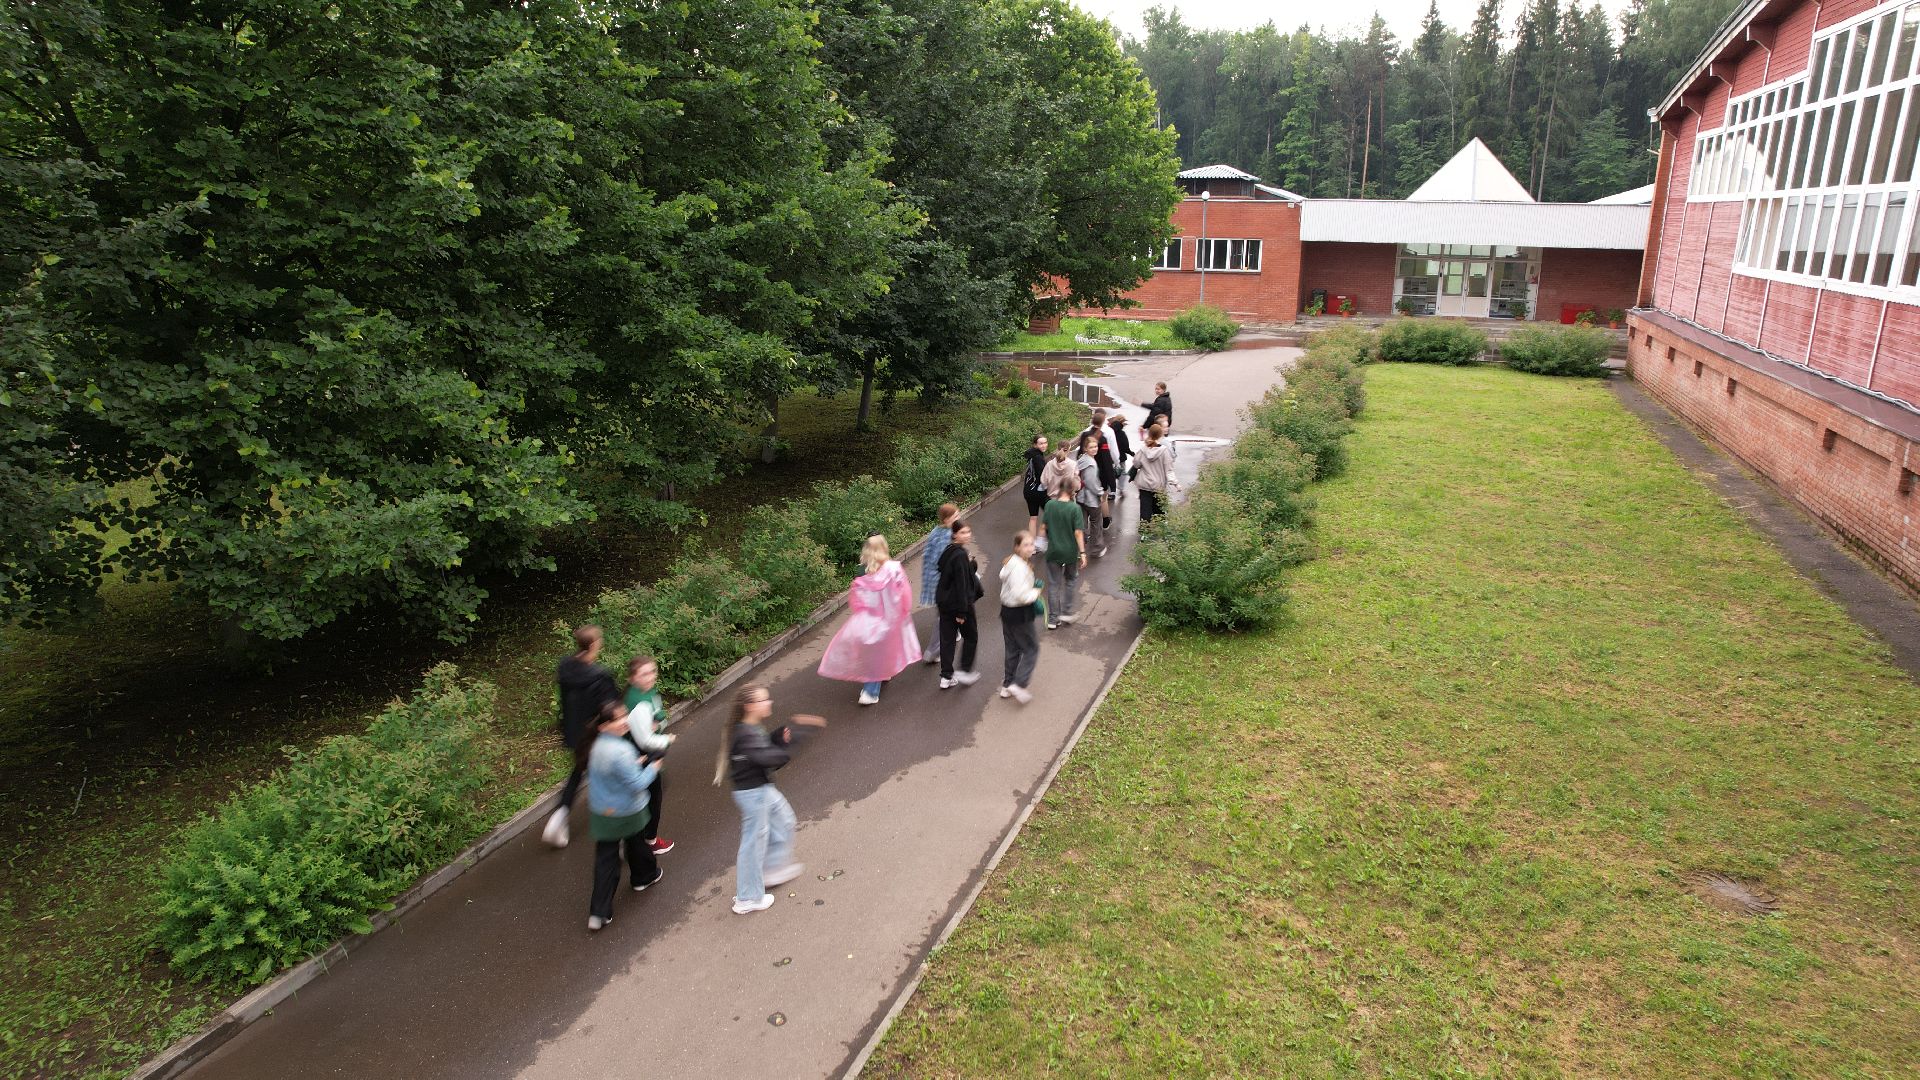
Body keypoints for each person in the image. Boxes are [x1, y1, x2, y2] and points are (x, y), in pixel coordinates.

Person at [714, 683, 826, 915]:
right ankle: (747, 898)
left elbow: (764, 750)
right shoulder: (745, 735)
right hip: (753, 795)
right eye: (763, 700)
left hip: (762, 790)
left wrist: (778, 736)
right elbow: (769, 758)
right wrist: (796, 738)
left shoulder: (751, 727)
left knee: (785, 821)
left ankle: (770, 870)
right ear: (749, 706)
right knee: (753, 844)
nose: (769, 703)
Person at [817, 535, 920, 705]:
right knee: (881, 653)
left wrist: (862, 616)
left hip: (868, 621)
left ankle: (884, 674)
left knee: (875, 653)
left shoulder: (862, 571)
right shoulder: (894, 569)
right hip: (890, 619)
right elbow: (905, 594)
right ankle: (870, 692)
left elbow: (856, 600)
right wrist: (904, 609)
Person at [584, 701, 660, 931]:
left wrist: (634, 764)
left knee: (606, 859)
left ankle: (599, 912)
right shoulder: (622, 750)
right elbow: (637, 784)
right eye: (617, 719)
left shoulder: (596, 747)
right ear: (603, 726)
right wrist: (653, 767)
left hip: (602, 811)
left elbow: (612, 772)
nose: (625, 720)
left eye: (625, 715)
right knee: (636, 843)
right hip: (626, 810)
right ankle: (644, 877)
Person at [545, 625, 617, 849]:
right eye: (599, 639)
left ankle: (560, 816)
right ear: (594, 644)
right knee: (609, 773)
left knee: (578, 771)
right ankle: (618, 829)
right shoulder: (599, 676)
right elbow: (610, 707)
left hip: (573, 731)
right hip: (594, 734)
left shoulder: (566, 666)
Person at [622, 656, 676, 855]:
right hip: (642, 755)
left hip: (644, 754)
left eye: (652, 671)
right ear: (632, 678)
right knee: (653, 797)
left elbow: (658, 716)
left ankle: (633, 837)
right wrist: (667, 739)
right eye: (644, 674)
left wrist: (659, 723)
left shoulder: (646, 691)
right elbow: (645, 740)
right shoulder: (637, 704)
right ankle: (649, 840)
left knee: (648, 794)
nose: (650, 677)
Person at [934, 519, 985, 689]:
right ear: (955, 534)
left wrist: (969, 563)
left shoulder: (949, 550)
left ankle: (946, 676)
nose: (967, 535)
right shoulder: (961, 555)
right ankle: (964, 671)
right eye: (963, 532)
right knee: (971, 636)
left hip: (944, 602)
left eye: (968, 531)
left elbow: (942, 568)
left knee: (947, 639)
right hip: (960, 605)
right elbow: (962, 585)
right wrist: (962, 613)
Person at [997, 530, 1043, 703]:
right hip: (1020, 612)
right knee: (1031, 649)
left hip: (1007, 611)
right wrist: (1035, 592)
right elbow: (1020, 595)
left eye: (1032, 543)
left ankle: (1007, 685)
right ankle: (1019, 684)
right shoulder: (1018, 567)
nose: (1031, 547)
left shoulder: (1012, 563)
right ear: (1017, 547)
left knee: (1012, 649)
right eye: (1026, 544)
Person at [1038, 479, 1086, 629]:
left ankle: (1053, 620)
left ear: (1059, 489)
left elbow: (1043, 527)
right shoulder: (1075, 508)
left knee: (1054, 584)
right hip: (1070, 552)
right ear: (1072, 491)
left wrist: (1041, 543)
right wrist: (1083, 553)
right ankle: (1066, 612)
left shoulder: (1050, 505)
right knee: (1071, 580)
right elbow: (1078, 533)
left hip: (1053, 551)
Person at [917, 503, 959, 664]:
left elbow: (927, 555)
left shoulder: (935, 531)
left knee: (946, 611)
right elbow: (946, 560)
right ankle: (933, 651)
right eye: (956, 516)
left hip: (932, 578)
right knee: (944, 615)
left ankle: (954, 633)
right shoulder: (948, 535)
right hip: (942, 580)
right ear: (948, 519)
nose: (959, 518)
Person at [1132, 422, 1175, 529]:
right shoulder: (1164, 451)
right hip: (1158, 485)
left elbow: (1136, 464)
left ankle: (1144, 532)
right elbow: (1169, 469)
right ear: (1160, 435)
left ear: (1149, 434)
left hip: (1144, 484)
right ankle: (1160, 527)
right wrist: (1175, 483)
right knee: (1158, 506)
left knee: (1145, 509)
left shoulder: (1143, 450)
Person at [1078, 409, 1117, 520]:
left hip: (1085, 468)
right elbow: (1107, 459)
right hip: (1101, 471)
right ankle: (1104, 518)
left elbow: (1080, 452)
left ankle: (1085, 522)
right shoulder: (1103, 437)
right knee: (1102, 496)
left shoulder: (1085, 434)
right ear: (1103, 422)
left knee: (1086, 492)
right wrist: (1112, 481)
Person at [1075, 433, 1108, 558]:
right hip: (1091, 499)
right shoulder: (1091, 463)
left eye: (1095, 446)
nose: (1094, 449)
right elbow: (1091, 482)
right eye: (1091, 447)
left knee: (1081, 525)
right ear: (1085, 448)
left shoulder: (1081, 460)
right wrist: (1100, 492)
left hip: (1080, 497)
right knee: (1096, 524)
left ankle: (1079, 550)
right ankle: (1097, 548)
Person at [1022, 434, 1051, 534]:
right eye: (1041, 444)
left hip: (1028, 490)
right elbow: (1043, 476)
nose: (1044, 445)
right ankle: (1045, 539)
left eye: (1045, 443)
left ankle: (1032, 545)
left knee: (1033, 518)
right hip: (1038, 491)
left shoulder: (1031, 455)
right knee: (1050, 514)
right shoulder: (1038, 457)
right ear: (1035, 445)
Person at [1039, 441, 1076, 506]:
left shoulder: (1049, 464)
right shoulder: (1072, 465)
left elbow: (1043, 481)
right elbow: (1076, 484)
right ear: (1069, 450)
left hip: (1052, 500)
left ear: (1057, 449)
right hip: (1068, 500)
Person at [1106, 415, 1132, 501]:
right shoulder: (1122, 433)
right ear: (1121, 422)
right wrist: (1131, 453)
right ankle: (1121, 489)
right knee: (1123, 473)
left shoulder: (1108, 431)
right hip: (1121, 458)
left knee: (1110, 474)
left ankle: (1110, 493)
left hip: (1109, 457)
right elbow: (1125, 447)